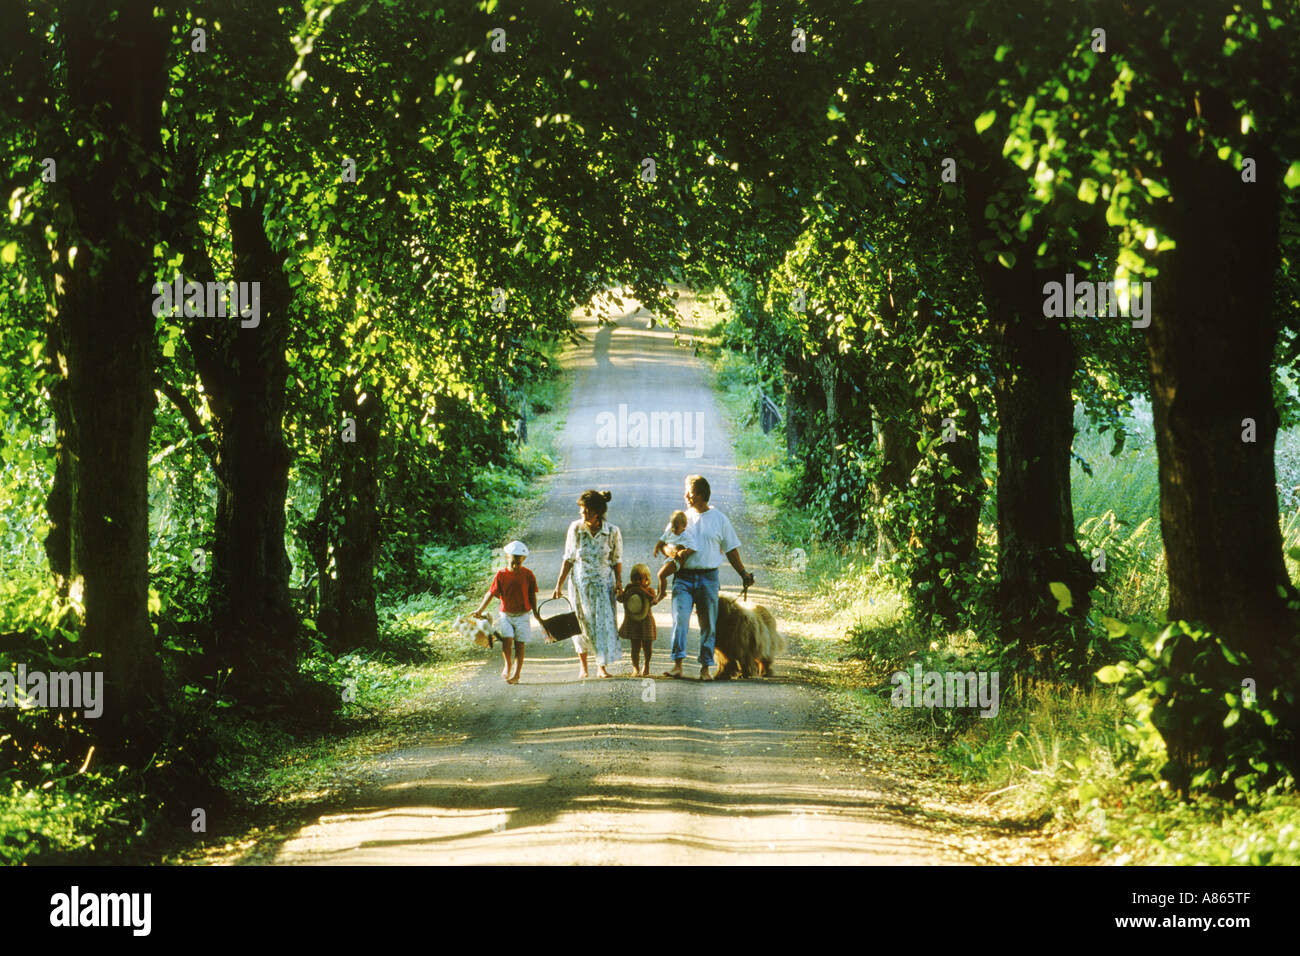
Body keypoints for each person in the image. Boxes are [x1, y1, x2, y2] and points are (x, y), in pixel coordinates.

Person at [663, 475, 755, 681]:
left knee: (708, 625)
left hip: (708, 578)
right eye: (685, 491)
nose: (686, 495)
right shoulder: (682, 518)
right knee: (680, 619)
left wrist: (743, 573)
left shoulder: (719, 519)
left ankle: (705, 668)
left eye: (691, 492)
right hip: (683, 578)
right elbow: (665, 543)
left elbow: (731, 549)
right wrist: (672, 553)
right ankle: (677, 664)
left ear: (702, 495)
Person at [554, 489, 624, 678]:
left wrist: (619, 583)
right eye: (582, 510)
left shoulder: (611, 531)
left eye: (586, 511)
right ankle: (583, 666)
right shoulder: (575, 529)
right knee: (581, 623)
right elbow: (568, 558)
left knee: (602, 624)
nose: (582, 514)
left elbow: (616, 560)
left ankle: (601, 667)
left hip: (603, 586)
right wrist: (558, 585)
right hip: (580, 585)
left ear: (597, 512)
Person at [472, 540, 542, 684]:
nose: (516, 566)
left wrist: (536, 613)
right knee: (507, 639)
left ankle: (516, 674)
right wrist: (480, 610)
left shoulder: (528, 574)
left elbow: (532, 595)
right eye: (513, 562)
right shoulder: (501, 575)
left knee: (520, 643)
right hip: (506, 614)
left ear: (524, 559)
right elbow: (491, 593)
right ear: (507, 558)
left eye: (519, 562)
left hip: (523, 615)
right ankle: (508, 665)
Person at [619, 563, 657, 677]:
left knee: (647, 647)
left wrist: (641, 590)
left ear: (647, 579)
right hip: (633, 621)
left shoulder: (649, 590)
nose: (638, 582)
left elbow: (653, 599)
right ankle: (635, 668)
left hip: (646, 621)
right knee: (634, 647)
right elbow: (621, 599)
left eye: (641, 579)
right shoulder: (630, 588)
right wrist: (620, 591)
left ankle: (647, 663)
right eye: (635, 579)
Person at [653, 509, 690, 603]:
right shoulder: (670, 532)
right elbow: (661, 540)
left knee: (661, 575)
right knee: (661, 575)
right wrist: (656, 548)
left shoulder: (685, 535)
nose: (674, 529)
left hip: (676, 561)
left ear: (684, 526)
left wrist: (678, 550)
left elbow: (684, 547)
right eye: (673, 526)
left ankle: (662, 593)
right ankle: (660, 592)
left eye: (677, 527)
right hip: (669, 558)